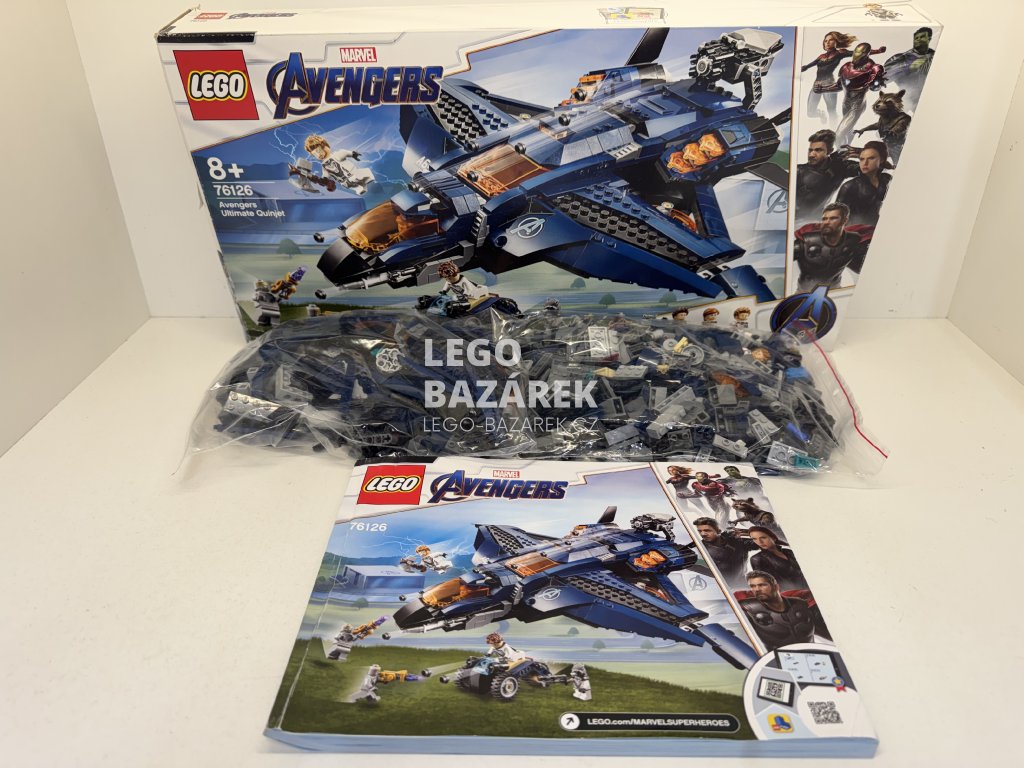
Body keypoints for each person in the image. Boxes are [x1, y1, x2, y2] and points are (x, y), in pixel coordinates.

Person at [793, 203, 872, 292]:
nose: (827, 222)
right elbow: (783, 261)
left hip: (835, 292)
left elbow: (860, 269)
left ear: (845, 220)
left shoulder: (853, 241)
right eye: (824, 219)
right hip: (804, 293)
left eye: (833, 218)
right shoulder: (805, 242)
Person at [738, 572, 816, 650]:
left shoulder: (801, 604)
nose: (757, 589)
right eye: (752, 586)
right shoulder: (746, 609)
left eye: (762, 585)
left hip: (813, 654)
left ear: (776, 587)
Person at [794, 129, 858, 223]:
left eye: (818, 150)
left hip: (814, 221)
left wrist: (861, 153)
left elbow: (872, 169)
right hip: (792, 219)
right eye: (810, 150)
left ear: (829, 151)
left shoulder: (840, 167)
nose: (811, 155)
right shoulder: (798, 170)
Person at [835, 42, 887, 147]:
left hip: (857, 104)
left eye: (860, 52)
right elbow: (839, 86)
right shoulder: (846, 66)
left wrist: (877, 81)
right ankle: (846, 148)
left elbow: (875, 87)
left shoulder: (872, 68)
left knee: (839, 134)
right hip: (846, 103)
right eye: (855, 51)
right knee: (847, 130)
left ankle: (840, 151)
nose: (856, 55)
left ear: (865, 54)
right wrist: (823, 88)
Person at [800, 31, 857, 123]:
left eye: (830, 40)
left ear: (836, 42)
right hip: (816, 85)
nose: (827, 43)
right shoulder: (821, 56)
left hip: (829, 84)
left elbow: (859, 53)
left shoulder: (840, 53)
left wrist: (878, 51)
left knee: (831, 111)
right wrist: (803, 68)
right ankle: (821, 114)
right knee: (810, 113)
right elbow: (809, 65)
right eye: (825, 41)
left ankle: (834, 129)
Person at [836, 141, 892, 226]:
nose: (865, 163)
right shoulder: (850, 186)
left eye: (871, 158)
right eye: (861, 159)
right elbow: (836, 217)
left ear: (882, 160)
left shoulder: (886, 179)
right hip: (854, 230)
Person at [693, 516, 756, 588]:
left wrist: (747, 532)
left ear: (718, 530)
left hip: (743, 584)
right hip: (719, 587)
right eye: (700, 531)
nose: (703, 534)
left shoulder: (737, 540)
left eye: (707, 530)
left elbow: (762, 542)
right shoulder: (699, 548)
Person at [304, 134, 375, 194]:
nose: (318, 155)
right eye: (314, 154)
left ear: (325, 146)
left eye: (318, 150)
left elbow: (345, 153)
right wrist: (324, 180)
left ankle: (361, 187)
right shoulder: (324, 165)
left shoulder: (336, 155)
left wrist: (352, 154)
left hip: (348, 180)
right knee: (364, 173)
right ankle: (361, 185)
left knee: (362, 177)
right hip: (349, 179)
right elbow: (325, 175)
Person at [884, 27, 935, 110]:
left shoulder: (935, 57)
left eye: (922, 37)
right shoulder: (900, 58)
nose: (918, 40)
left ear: (929, 39)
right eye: (916, 38)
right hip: (906, 101)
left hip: (930, 100)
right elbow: (883, 78)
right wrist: (908, 67)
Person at [748, 526, 808, 590]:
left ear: (773, 538)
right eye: (754, 539)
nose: (759, 542)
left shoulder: (789, 552)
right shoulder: (757, 559)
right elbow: (767, 584)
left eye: (763, 538)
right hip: (790, 592)